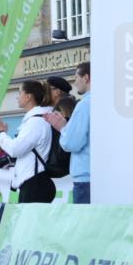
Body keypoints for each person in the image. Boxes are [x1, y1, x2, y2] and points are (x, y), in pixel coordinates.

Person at [0, 80, 55, 203]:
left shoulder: (35, 122)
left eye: (19, 92)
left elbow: (15, 150)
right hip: (34, 182)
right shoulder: (36, 120)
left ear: (28, 96)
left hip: (35, 184)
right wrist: (2, 133)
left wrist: (1, 132)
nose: (17, 97)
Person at [46, 61, 90, 203]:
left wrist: (63, 128)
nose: (75, 82)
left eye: (76, 77)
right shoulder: (108, 102)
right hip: (103, 175)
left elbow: (72, 143)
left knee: (86, 223)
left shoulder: (84, 105)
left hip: (86, 177)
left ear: (86, 78)